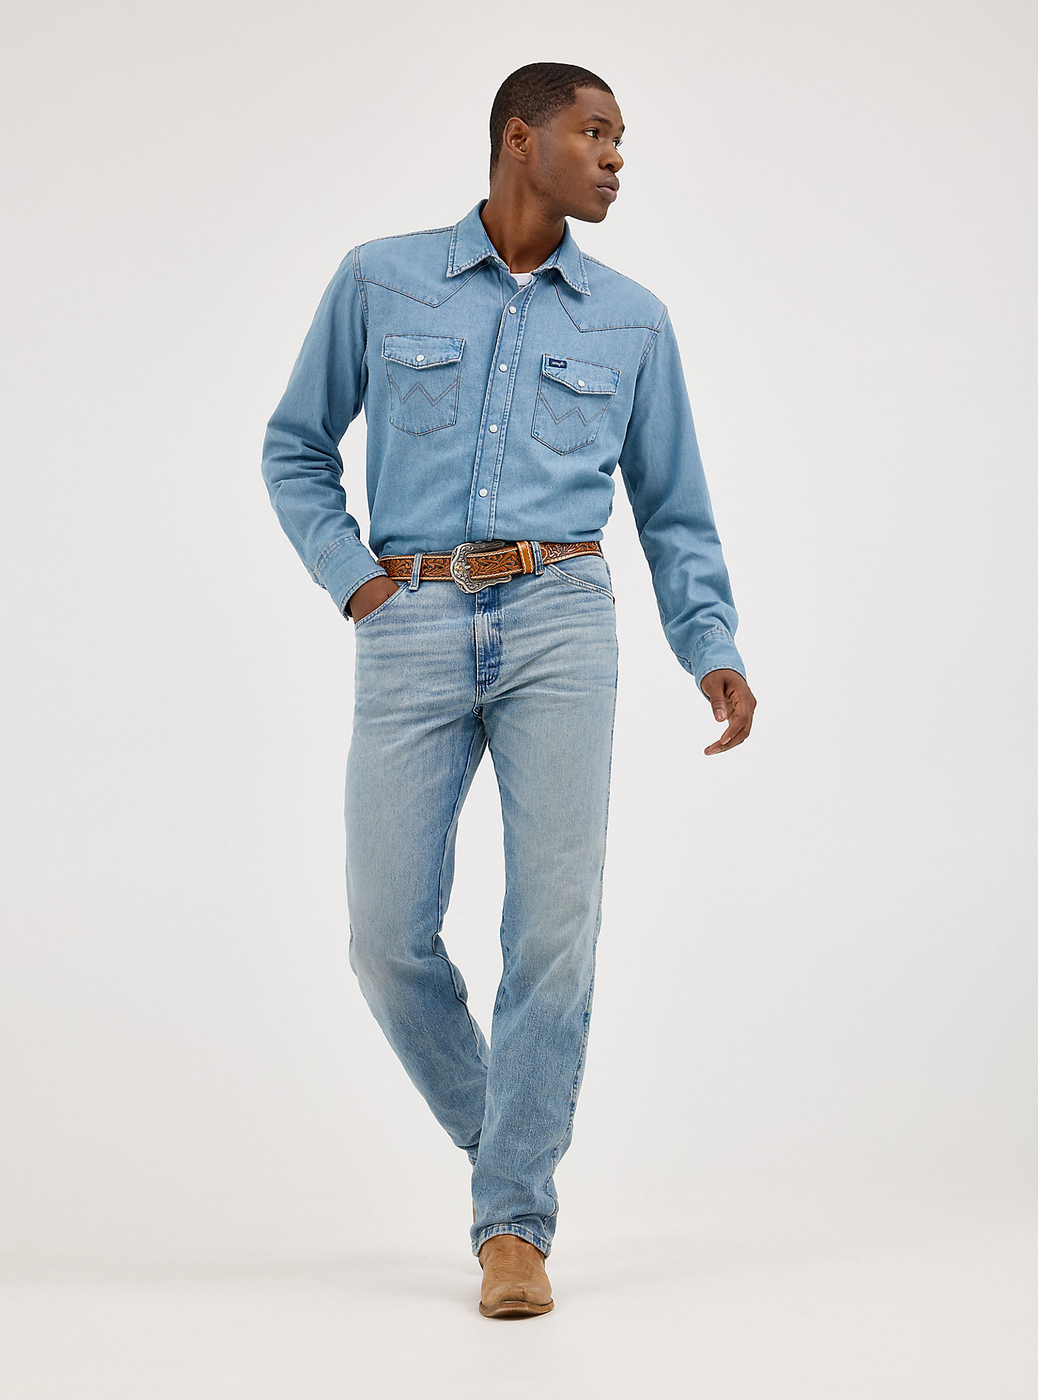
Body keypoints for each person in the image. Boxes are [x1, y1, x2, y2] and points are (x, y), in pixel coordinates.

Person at [260, 61, 756, 1320]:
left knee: (550, 932)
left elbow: (672, 507)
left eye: (620, 138)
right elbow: (294, 446)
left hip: (560, 619)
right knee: (383, 938)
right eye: (594, 133)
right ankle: (509, 1148)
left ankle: (513, 1224)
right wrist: (358, 583)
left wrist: (709, 642)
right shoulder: (380, 279)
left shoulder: (631, 320)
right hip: (410, 617)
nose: (615, 157)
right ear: (518, 139)